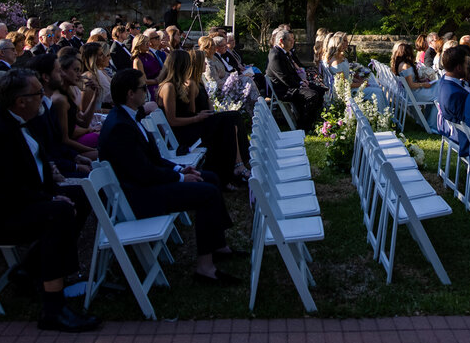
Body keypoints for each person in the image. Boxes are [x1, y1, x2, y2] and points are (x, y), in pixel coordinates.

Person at [0, 69, 100, 332]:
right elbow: (0, 190)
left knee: (80, 195)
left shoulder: (18, 121)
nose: (43, 96)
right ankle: (53, 309)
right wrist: (48, 196)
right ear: (21, 101)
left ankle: (28, 270)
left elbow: (27, 165)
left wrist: (50, 175)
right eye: (37, 93)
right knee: (58, 213)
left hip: (11, 202)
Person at [97, 68, 240, 284]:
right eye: (143, 88)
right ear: (130, 93)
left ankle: (218, 245)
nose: (147, 91)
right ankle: (205, 268)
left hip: (145, 185)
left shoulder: (129, 117)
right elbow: (143, 173)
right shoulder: (119, 127)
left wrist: (179, 170)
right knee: (208, 193)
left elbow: (152, 159)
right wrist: (181, 179)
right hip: (137, 197)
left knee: (210, 177)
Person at [155, 49, 249, 186]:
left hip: (191, 124)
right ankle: (234, 169)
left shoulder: (178, 85)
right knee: (229, 120)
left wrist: (199, 116)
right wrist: (197, 118)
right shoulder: (168, 87)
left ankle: (237, 165)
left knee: (232, 117)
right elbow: (172, 121)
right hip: (182, 133)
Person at [266, 29, 325, 131]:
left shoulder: (285, 53)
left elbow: (293, 72)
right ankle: (303, 126)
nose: (293, 42)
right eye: (290, 40)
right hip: (284, 90)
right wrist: (301, 84)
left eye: (293, 39)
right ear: (281, 41)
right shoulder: (275, 55)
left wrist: (303, 82)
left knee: (321, 89)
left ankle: (314, 121)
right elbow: (284, 78)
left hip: (293, 85)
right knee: (312, 95)